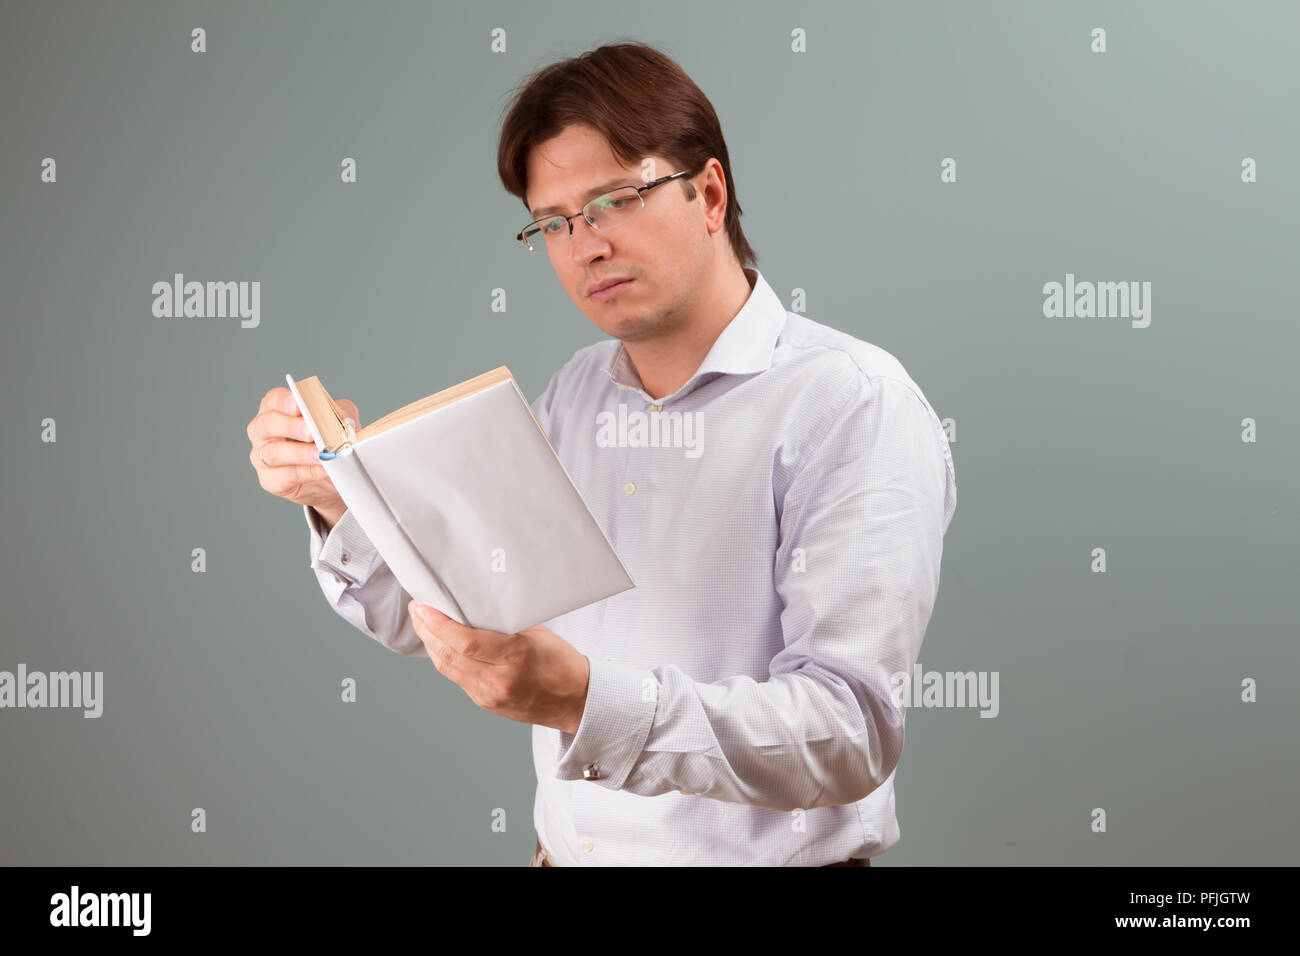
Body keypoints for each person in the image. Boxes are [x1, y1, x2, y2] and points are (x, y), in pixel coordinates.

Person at [246, 41, 956, 866]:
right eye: (553, 223)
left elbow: (848, 731)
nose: (584, 246)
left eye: (615, 200)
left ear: (710, 194)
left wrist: (587, 700)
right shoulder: (577, 394)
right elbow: (456, 615)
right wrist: (338, 495)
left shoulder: (851, 403)